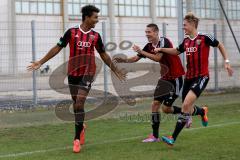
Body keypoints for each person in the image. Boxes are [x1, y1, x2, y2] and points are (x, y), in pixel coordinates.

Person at [27, 5, 125, 153]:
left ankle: (76, 139)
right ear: (87, 17)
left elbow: (103, 54)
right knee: (76, 105)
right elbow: (57, 47)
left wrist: (115, 69)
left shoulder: (96, 36)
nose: (97, 20)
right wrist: (40, 62)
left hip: (88, 72)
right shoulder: (71, 32)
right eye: (95, 17)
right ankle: (81, 126)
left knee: (79, 104)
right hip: (73, 72)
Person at [154, 12, 233, 146]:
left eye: (184, 25)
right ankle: (202, 111)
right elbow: (176, 51)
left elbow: (220, 45)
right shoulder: (186, 41)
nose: (183, 27)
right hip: (188, 78)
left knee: (185, 106)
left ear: (192, 24)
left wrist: (226, 61)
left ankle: (172, 138)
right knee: (187, 108)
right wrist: (161, 49)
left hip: (202, 77)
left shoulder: (204, 37)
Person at [114, 23, 185, 142]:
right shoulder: (149, 46)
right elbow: (136, 58)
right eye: (146, 32)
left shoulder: (164, 41)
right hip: (165, 78)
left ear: (156, 32)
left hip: (175, 78)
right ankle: (155, 136)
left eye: (149, 32)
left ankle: (188, 113)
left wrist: (141, 51)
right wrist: (123, 60)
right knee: (155, 104)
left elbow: (158, 58)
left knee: (166, 109)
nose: (147, 34)